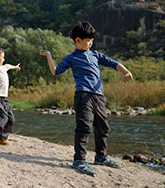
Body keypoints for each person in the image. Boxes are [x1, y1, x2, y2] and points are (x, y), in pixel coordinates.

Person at [39, 21, 133, 176]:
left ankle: (101, 157)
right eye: (87, 40)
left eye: (92, 40)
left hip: (99, 96)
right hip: (83, 95)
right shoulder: (71, 58)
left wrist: (126, 71)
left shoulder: (95, 55)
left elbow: (113, 63)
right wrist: (48, 55)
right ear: (77, 40)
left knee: (103, 127)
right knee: (84, 127)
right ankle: (79, 160)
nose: (90, 43)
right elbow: (56, 71)